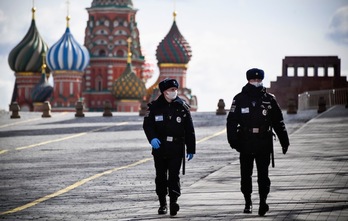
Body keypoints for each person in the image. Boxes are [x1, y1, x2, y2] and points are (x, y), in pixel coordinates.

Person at [226, 68, 290, 216]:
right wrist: (233, 140)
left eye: (258, 80)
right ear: (248, 80)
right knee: (245, 175)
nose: (256, 82)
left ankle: (263, 201)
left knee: (263, 175)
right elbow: (232, 121)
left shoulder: (269, 99)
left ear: (262, 80)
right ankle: (248, 201)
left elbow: (278, 121)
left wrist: (284, 140)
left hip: (263, 141)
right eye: (253, 80)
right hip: (246, 141)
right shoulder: (239, 98)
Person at [143, 78, 196, 216]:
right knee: (160, 177)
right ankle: (162, 204)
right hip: (160, 147)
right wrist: (152, 138)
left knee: (174, 176)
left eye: (175, 90)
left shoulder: (182, 106)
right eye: (171, 90)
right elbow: (148, 125)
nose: (174, 92)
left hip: (176, 147)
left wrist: (191, 148)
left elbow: (189, 129)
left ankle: (173, 201)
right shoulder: (154, 107)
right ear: (164, 92)